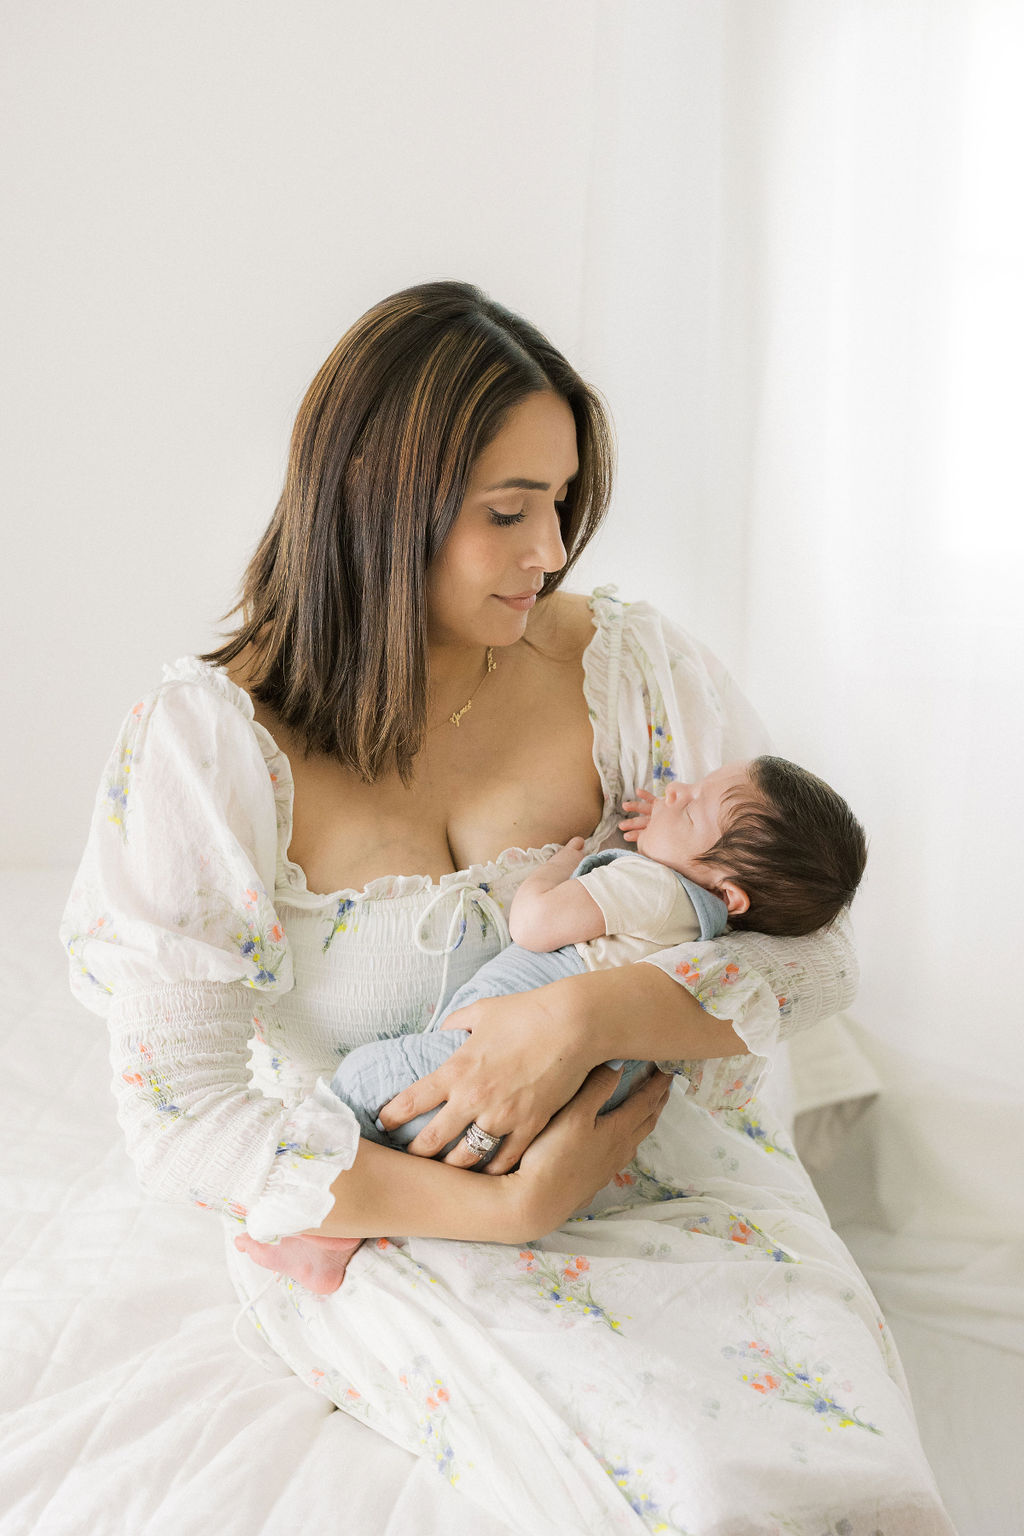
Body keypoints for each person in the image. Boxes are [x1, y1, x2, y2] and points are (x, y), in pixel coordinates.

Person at [60, 282, 951, 1533]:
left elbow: (817, 953)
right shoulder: (210, 750)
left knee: (843, 1476)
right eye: (507, 511)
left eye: (562, 502)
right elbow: (179, 1118)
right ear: (375, 496)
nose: (551, 550)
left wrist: (580, 1018)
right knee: (685, 1489)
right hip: (392, 1206)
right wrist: (506, 1206)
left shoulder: (632, 672)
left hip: (670, 1164)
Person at [235, 755, 868, 1294]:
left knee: (366, 1087)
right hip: (561, 1109)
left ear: (731, 895)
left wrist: (561, 869)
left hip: (476, 1058)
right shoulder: (696, 925)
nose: (676, 791)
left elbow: (536, 926)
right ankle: (332, 1240)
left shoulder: (649, 887)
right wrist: (679, 831)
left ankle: (317, 1227)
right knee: (422, 1141)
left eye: (696, 808)